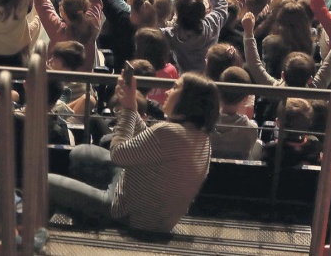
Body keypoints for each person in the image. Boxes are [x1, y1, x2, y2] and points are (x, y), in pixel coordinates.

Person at [47, 72, 219, 233]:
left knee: (45, 183)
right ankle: (84, 209)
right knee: (82, 153)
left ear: (188, 99)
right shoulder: (200, 135)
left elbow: (118, 154)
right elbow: (147, 140)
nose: (168, 92)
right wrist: (132, 108)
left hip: (130, 215)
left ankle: (48, 232)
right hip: (155, 214)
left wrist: (128, 110)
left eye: (175, 88)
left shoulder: (170, 132)